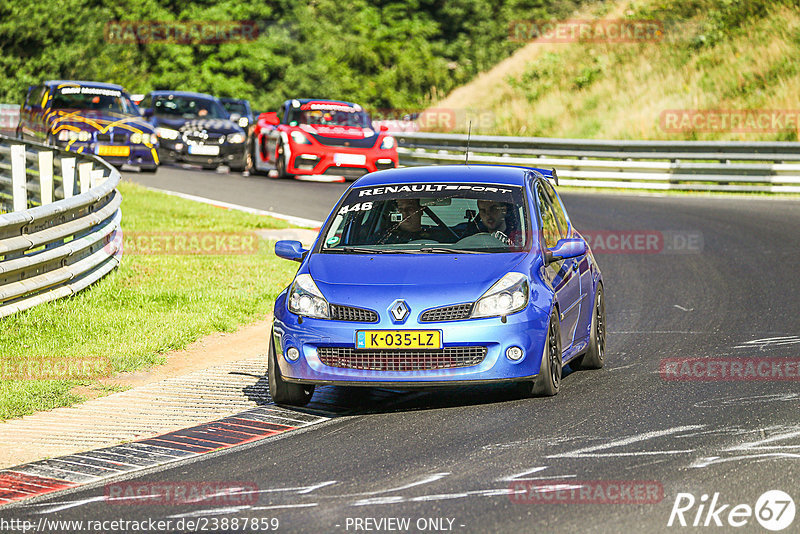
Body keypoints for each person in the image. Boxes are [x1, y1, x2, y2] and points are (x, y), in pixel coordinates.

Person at [381, 199, 450, 244]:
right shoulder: (384, 238)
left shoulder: (443, 237)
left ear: (421, 211)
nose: (404, 213)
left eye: (410, 208)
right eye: (400, 209)